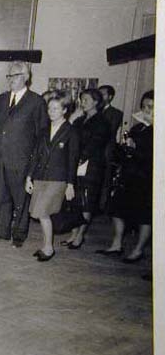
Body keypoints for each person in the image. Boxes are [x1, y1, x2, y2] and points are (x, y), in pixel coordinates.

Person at [0, 61, 49, 248]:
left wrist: (33, 164)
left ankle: (19, 233)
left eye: (14, 76)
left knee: (21, 198)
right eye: (9, 76)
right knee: (0, 196)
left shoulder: (36, 102)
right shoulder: (1, 99)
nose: (10, 80)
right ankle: (3, 230)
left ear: (26, 77)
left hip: (21, 160)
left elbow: (41, 135)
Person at [98, 90, 153, 263]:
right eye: (144, 106)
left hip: (146, 178)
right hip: (129, 176)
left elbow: (151, 158)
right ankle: (116, 244)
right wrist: (124, 147)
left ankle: (138, 250)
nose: (146, 110)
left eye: (150, 107)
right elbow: (125, 154)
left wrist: (134, 149)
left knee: (143, 216)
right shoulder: (137, 128)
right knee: (117, 210)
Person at [25, 91, 80, 261]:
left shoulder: (71, 131)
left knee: (42, 211)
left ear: (64, 110)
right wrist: (29, 177)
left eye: (55, 109)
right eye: (49, 108)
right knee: (41, 213)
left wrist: (70, 184)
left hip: (58, 179)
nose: (51, 112)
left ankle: (49, 248)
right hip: (41, 176)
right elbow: (35, 155)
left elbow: (72, 160)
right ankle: (46, 245)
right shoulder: (44, 130)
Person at [64, 89, 110, 249]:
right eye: (81, 100)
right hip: (76, 164)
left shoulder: (102, 122)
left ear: (96, 102)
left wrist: (79, 158)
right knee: (75, 202)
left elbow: (95, 144)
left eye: (86, 100)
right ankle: (73, 233)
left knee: (86, 202)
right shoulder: (79, 120)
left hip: (91, 166)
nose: (82, 103)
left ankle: (80, 235)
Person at [99, 84, 124, 209]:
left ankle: (102, 207)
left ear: (110, 97)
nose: (100, 97)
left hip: (106, 151)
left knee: (105, 179)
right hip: (93, 152)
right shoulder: (94, 111)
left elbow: (110, 130)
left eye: (103, 94)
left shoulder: (116, 113)